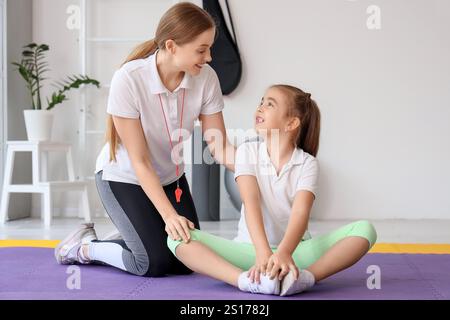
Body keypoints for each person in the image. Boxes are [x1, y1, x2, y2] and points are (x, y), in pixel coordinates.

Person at [54, 2, 236, 277]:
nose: (209, 57)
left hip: (170, 179)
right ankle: (85, 247)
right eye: (201, 49)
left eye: (209, 48)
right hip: (124, 177)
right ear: (172, 46)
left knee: (188, 260)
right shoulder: (129, 79)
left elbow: (219, 146)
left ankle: (136, 231)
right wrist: (169, 216)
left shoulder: (207, 79)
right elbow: (140, 162)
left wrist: (256, 170)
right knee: (152, 263)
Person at [167, 84, 377, 296]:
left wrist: (284, 253)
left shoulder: (307, 163)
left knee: (365, 230)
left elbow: (300, 212)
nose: (260, 107)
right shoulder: (247, 152)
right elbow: (251, 203)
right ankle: (246, 281)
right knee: (175, 239)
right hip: (249, 251)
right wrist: (263, 253)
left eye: (270, 104)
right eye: (261, 102)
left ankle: (305, 278)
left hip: (296, 253)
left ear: (291, 123)